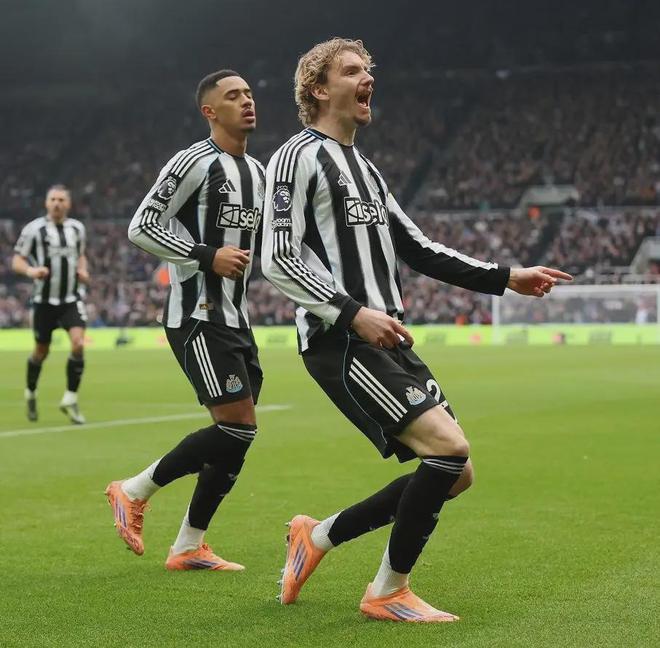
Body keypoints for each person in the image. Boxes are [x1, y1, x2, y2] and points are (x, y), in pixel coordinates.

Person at [261, 38, 572, 622]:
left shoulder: (365, 170)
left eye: (368, 69)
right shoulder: (296, 158)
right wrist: (351, 312)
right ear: (319, 89)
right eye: (352, 70)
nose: (367, 78)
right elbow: (277, 256)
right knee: (448, 449)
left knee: (456, 473)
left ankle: (317, 536)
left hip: (388, 336)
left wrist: (508, 277)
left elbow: (419, 248)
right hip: (342, 339)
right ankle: (387, 591)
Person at [105, 69, 265, 572]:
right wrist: (205, 254)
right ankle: (133, 490)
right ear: (209, 112)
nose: (247, 101)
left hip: (236, 319)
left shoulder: (258, 173)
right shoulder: (193, 162)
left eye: (249, 93)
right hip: (197, 315)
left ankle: (189, 546)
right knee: (238, 428)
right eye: (233, 96)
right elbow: (141, 226)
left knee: (237, 435)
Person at [12, 185, 89, 424]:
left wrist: (83, 271)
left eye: (61, 200)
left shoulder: (77, 229)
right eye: (53, 199)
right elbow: (17, 260)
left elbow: (81, 255)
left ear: (68, 204)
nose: (57, 203)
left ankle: (70, 398)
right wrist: (31, 271)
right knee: (41, 352)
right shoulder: (34, 229)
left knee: (78, 344)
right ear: (46, 203)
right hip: (43, 302)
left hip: (70, 299)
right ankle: (31, 391)